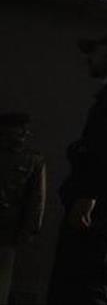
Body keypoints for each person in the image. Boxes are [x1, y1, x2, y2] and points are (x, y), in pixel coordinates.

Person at [47, 33, 107, 304]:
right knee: (72, 285)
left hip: (99, 205)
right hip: (96, 201)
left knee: (87, 285)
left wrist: (89, 196)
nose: (88, 58)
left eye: (95, 51)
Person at [0, 112, 46, 305]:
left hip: (7, 230)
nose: (24, 133)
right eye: (19, 129)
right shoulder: (32, 160)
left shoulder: (32, 160)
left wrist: (29, 230)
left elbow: (37, 199)